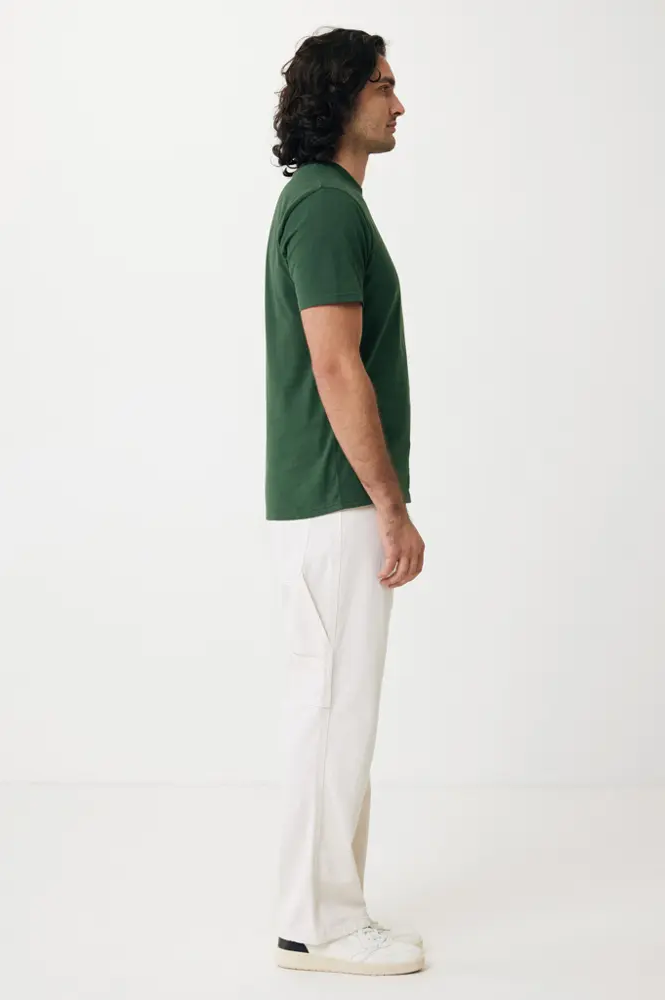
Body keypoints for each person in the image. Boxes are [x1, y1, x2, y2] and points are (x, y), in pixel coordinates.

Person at [264, 26, 426, 976]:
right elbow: (335, 365)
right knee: (332, 713)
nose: (399, 104)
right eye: (382, 86)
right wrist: (390, 506)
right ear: (339, 97)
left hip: (328, 501)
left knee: (334, 710)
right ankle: (319, 928)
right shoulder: (324, 206)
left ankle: (325, 911)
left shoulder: (326, 202)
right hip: (337, 501)